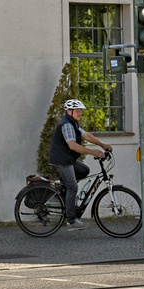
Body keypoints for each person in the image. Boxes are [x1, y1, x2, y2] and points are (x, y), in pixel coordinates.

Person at [47, 98, 108, 230]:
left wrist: (103, 145)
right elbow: (73, 145)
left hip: (68, 159)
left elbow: (86, 135)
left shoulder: (73, 123)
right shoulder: (67, 125)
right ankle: (71, 220)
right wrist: (93, 152)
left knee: (84, 170)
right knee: (73, 187)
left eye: (81, 110)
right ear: (69, 111)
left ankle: (65, 194)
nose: (80, 113)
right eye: (78, 110)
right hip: (62, 160)